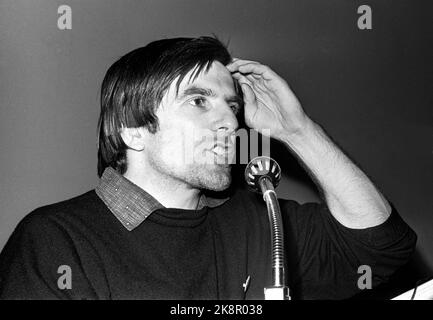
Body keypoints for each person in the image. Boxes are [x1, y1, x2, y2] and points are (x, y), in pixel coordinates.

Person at [0, 36, 416, 300]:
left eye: (232, 106)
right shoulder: (57, 241)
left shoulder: (260, 219)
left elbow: (383, 247)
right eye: (199, 101)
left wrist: (298, 130)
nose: (231, 123)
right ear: (133, 131)